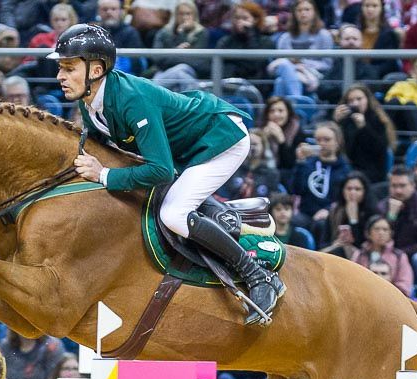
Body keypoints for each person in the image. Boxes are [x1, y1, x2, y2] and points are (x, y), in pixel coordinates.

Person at [56, 23, 284, 326]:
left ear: (95, 70)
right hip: (188, 148)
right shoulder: (89, 103)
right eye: (61, 68)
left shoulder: (131, 99)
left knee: (173, 214)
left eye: (69, 68)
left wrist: (105, 176)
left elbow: (161, 170)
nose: (60, 76)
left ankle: (258, 276)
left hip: (220, 139)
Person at [377, 166, 417, 296]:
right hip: (391, 257)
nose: (398, 190)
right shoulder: (383, 207)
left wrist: (400, 254)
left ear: (413, 186)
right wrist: (391, 217)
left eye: (402, 186)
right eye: (394, 186)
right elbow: (379, 240)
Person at [290, 123, 353, 228]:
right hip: (306, 214)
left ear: (337, 142)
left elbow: (345, 198)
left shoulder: (345, 169)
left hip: (331, 214)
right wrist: (300, 162)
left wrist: (328, 210)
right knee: (293, 222)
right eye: (318, 140)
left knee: (322, 225)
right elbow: (295, 190)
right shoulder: (307, 164)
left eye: (327, 140)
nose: (322, 143)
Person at [268, 0, 334, 99]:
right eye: (299, 10)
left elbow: (327, 64)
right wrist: (294, 66)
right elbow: (280, 65)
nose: (303, 13)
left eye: (307, 9)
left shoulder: (324, 35)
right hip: (290, 72)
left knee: (281, 81)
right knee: (283, 73)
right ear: (294, 13)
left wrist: (303, 63)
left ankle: (282, 105)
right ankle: (297, 100)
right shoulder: (285, 37)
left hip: (313, 75)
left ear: (314, 12)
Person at [334, 85, 396, 186]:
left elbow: (380, 149)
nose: (355, 103)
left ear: (367, 100)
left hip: (373, 169)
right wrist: (337, 123)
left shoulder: (378, 119)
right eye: (351, 100)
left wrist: (363, 128)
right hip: (348, 167)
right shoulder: (346, 121)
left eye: (359, 99)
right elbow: (341, 148)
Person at [355, 214, 414, 297]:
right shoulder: (360, 255)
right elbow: (353, 280)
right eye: (376, 229)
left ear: (391, 233)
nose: (381, 233)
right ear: (368, 233)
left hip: (392, 298)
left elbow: (405, 286)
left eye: (385, 229)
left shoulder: (399, 256)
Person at [218, 132, 283, 201]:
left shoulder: (272, 174)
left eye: (255, 144)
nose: (252, 147)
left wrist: (253, 189)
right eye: (249, 144)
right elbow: (222, 194)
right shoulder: (233, 168)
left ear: (263, 147)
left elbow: (272, 199)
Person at [318, 172, 372, 256]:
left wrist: (353, 219)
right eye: (349, 189)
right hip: (336, 252)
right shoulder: (334, 211)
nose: (352, 192)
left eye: (357, 189)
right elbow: (323, 244)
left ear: (364, 191)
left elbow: (361, 244)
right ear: (343, 191)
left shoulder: (371, 212)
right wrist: (335, 244)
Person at [260, 96, 302, 183]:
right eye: (272, 111)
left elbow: (289, 164)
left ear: (288, 113)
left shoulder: (297, 131)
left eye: (280, 111)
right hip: (263, 175)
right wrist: (263, 139)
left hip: (287, 177)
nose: (276, 114)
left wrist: (281, 140)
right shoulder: (260, 130)